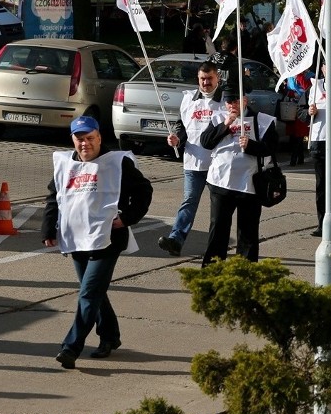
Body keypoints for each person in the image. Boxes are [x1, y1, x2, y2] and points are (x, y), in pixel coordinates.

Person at [42, 116, 153, 369]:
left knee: (89, 292)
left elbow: (144, 190)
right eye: (80, 139)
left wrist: (128, 218)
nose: (85, 144)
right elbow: (53, 197)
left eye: (90, 138)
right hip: (77, 238)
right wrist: (48, 228)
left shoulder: (117, 162)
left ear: (100, 137)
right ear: (73, 139)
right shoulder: (64, 164)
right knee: (95, 292)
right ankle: (110, 337)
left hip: (107, 239)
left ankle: (71, 347)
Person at [199, 87, 278, 266]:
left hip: (250, 184)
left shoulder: (263, 121)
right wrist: (225, 125)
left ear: (245, 100)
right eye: (229, 102)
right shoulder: (219, 117)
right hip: (221, 182)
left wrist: (251, 146)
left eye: (236, 101)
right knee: (218, 230)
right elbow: (206, 142)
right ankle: (211, 273)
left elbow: (271, 149)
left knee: (247, 234)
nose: (232, 105)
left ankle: (245, 275)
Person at [157, 61, 224, 256]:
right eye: (202, 79)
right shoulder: (188, 99)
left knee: (218, 210)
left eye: (209, 79)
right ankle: (175, 240)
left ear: (217, 78)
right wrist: (176, 139)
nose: (205, 83)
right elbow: (182, 127)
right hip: (193, 162)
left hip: (218, 164)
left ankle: (216, 248)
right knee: (188, 202)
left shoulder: (225, 99)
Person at [299, 56, 331, 237]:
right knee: (322, 185)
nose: (330, 67)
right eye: (326, 64)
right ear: (322, 68)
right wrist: (308, 112)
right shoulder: (314, 87)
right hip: (320, 142)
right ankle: (322, 223)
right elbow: (299, 112)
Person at [283, 70, 312, 166]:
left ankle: (294, 159)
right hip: (291, 107)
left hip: (303, 107)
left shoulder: (311, 75)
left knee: (299, 134)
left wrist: (299, 75)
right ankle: (300, 157)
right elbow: (288, 89)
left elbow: (308, 88)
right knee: (294, 134)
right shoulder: (290, 76)